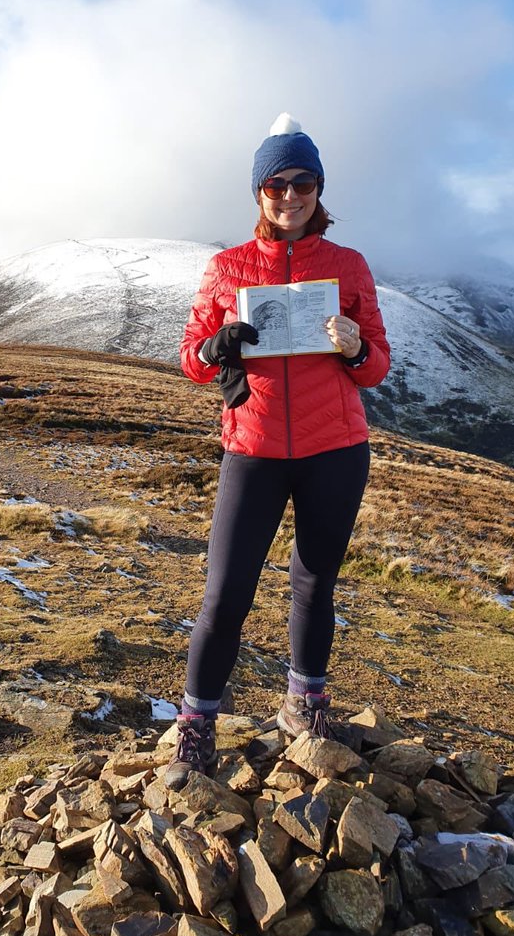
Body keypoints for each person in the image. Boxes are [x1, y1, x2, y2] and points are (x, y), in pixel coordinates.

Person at [167, 112, 390, 790]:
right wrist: (216, 346)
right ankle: (197, 726)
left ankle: (305, 705)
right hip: (255, 448)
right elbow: (191, 361)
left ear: (319, 189)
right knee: (226, 594)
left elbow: (377, 365)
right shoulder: (228, 268)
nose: (290, 195)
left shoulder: (347, 266)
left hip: (335, 447)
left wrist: (353, 346)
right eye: (276, 184)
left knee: (314, 583)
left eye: (304, 182)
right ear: (259, 192)